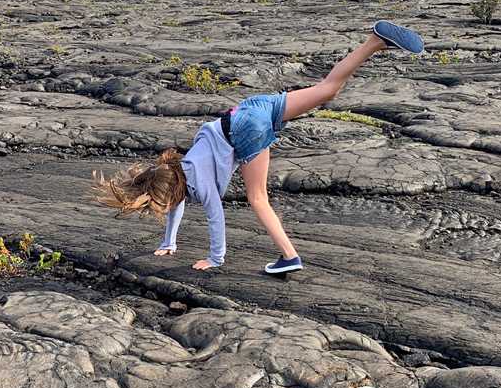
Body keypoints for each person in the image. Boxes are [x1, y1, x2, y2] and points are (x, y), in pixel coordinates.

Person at [91, 20, 425, 274]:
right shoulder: (179, 168)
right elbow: (175, 204)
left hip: (246, 129)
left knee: (257, 199)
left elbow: (215, 219)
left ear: (170, 190)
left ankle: (289, 256)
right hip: (250, 108)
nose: (167, 206)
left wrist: (214, 258)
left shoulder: (199, 187)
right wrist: (168, 242)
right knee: (327, 89)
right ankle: (375, 42)